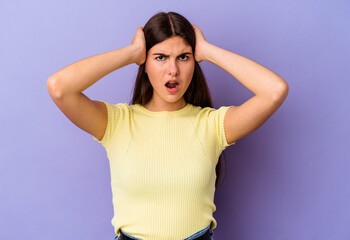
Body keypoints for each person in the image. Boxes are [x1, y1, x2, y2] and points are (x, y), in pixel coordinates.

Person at [47, 11, 288, 240]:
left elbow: (274, 91)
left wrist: (207, 50)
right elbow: (59, 87)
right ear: (145, 62)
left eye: (183, 57)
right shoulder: (117, 122)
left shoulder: (212, 125)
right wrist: (131, 53)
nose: (173, 70)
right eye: (160, 57)